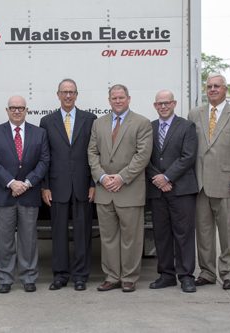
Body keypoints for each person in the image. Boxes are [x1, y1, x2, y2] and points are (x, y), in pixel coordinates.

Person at [188, 73, 230, 290]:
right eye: (209, 86)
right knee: (203, 232)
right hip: (200, 185)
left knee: (228, 232)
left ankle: (229, 272)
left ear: (226, 89)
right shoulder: (195, 114)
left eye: (217, 86)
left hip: (226, 184)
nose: (212, 89)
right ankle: (206, 272)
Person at [88, 84, 152, 292]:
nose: (117, 101)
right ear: (109, 100)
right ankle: (112, 276)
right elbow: (92, 153)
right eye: (114, 98)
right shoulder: (99, 124)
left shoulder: (141, 123)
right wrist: (102, 177)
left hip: (129, 190)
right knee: (108, 238)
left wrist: (122, 178)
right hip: (105, 191)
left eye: (121, 97)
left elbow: (142, 155)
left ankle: (129, 278)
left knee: (131, 238)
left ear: (128, 99)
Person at [0, 95, 49, 293]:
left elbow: (44, 161)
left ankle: (28, 276)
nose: (16, 111)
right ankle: (5, 278)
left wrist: (28, 183)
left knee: (28, 239)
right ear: (7, 110)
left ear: (26, 110)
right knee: (3, 239)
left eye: (20, 107)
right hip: (4, 194)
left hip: (29, 194)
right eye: (13, 107)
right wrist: (12, 183)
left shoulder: (39, 133)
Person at [39, 79, 97, 291]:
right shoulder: (47, 121)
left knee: (83, 233)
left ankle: (81, 275)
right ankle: (60, 275)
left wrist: (93, 183)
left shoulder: (90, 119)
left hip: (83, 185)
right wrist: (44, 186)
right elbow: (44, 157)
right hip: (57, 186)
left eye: (71, 92)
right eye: (64, 92)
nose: (68, 96)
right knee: (59, 232)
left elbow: (94, 154)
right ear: (58, 94)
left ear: (77, 94)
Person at [146, 90, 199, 293]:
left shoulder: (186, 126)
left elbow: (188, 156)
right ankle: (166, 275)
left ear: (174, 103)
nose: (163, 106)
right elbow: (144, 158)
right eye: (159, 103)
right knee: (162, 234)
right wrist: (158, 179)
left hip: (182, 190)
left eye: (167, 103)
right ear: (155, 105)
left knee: (183, 234)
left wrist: (167, 177)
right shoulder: (149, 128)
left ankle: (186, 276)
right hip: (158, 191)